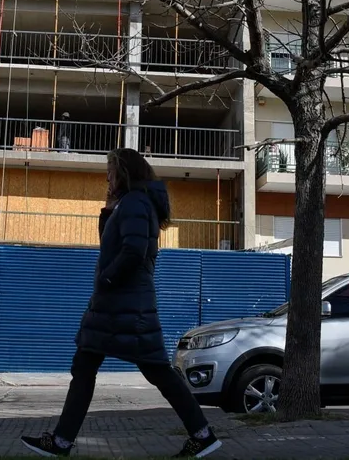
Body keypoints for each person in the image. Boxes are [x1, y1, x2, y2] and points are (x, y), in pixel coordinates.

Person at [21, 149, 220, 459]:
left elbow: (132, 251)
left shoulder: (137, 203)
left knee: (157, 373)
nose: (107, 177)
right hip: (118, 308)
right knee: (86, 368)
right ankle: (61, 441)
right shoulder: (130, 204)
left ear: (125, 173)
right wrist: (108, 210)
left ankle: (203, 434)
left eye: (111, 172)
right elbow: (114, 245)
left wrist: (106, 281)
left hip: (127, 308)